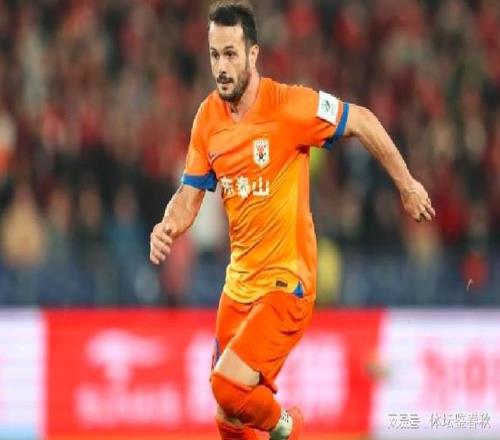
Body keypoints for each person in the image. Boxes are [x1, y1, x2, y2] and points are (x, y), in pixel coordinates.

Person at [149, 1, 435, 439]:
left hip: (287, 284)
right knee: (228, 416)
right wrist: (167, 226)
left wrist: (407, 184)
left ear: (253, 54)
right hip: (238, 286)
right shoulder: (207, 118)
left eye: (230, 54)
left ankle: (290, 428)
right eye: (214, 55)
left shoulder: (289, 106)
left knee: (227, 386)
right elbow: (188, 198)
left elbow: (361, 119)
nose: (221, 67)